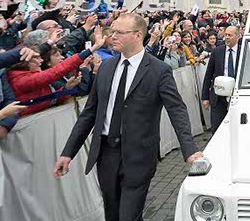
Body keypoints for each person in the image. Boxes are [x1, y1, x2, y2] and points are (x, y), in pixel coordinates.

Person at [53, 13, 202, 221]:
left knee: (128, 215)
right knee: (113, 213)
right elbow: (89, 113)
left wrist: (189, 150)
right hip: (106, 153)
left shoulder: (159, 70)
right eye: (112, 31)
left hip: (139, 154)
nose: (112, 36)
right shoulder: (106, 68)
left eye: (119, 32)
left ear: (138, 35)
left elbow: (177, 110)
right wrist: (68, 152)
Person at [201, 26, 241, 133]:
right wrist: (205, 97)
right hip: (218, 97)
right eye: (226, 35)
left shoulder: (244, 51)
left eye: (230, 35)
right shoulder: (217, 51)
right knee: (217, 129)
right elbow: (209, 74)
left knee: (236, 128)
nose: (227, 37)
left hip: (237, 95)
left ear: (238, 36)